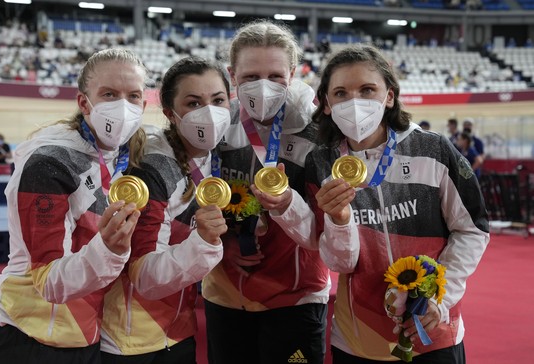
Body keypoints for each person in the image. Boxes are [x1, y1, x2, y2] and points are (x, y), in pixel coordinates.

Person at [305, 44, 490, 363]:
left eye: (367, 90)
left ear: (389, 96)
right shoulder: (321, 162)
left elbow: (472, 230)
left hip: (434, 330)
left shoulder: (434, 150)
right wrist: (338, 219)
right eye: (340, 93)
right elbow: (341, 263)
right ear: (326, 103)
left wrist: (439, 298)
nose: (355, 103)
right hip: (356, 338)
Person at [0, 48, 149, 364]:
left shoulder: (125, 156)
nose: (123, 106)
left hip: (85, 338)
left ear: (144, 104)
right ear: (83, 102)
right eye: (109, 94)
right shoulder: (48, 163)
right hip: (22, 338)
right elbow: (49, 283)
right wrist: (109, 248)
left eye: (132, 96)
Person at [202, 20, 330, 364]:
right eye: (249, 77)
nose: (263, 87)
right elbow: (193, 202)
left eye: (275, 76)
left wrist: (288, 203)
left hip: (295, 297)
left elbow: (328, 231)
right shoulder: (215, 125)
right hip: (225, 293)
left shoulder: (317, 133)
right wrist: (223, 247)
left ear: (292, 72)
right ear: (232, 75)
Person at [100, 56, 228, 363]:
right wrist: (206, 243)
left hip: (176, 330)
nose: (209, 113)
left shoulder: (214, 155)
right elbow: (143, 275)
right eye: (194, 103)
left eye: (218, 100)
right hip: (131, 341)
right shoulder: (154, 168)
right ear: (170, 113)